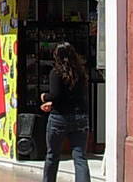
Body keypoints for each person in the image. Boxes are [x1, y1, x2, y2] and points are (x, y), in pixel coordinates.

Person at [40, 42, 91, 182]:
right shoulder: (81, 73)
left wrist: (45, 97)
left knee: (52, 155)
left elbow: (56, 95)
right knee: (80, 157)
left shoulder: (56, 73)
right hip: (80, 117)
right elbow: (76, 95)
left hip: (59, 118)